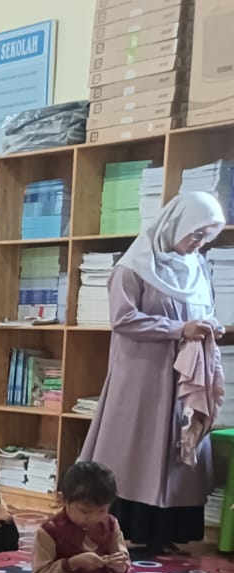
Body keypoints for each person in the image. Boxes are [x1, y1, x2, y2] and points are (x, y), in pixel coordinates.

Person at [80, 191, 226, 554]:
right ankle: (129, 527)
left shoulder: (196, 267)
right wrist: (180, 330)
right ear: (175, 224)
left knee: (176, 447)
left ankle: (167, 530)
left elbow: (200, 310)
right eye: (195, 234)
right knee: (137, 449)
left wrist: (208, 326)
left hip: (183, 374)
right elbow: (124, 319)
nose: (198, 243)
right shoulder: (133, 267)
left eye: (205, 237)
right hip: (142, 374)